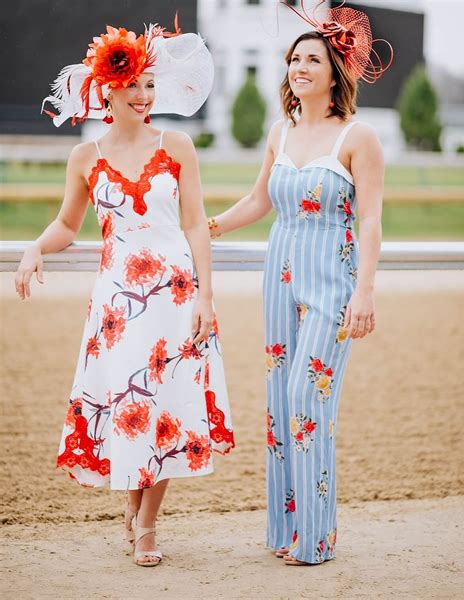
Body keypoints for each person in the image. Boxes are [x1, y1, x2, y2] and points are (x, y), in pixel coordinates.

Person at [14, 17, 234, 567]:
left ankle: (146, 525)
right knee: (130, 405)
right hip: (118, 305)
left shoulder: (178, 145)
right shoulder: (85, 158)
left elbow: (194, 225)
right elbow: (68, 225)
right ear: (108, 87)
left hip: (176, 297)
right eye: (133, 83)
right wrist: (35, 246)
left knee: (163, 408)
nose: (144, 95)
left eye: (150, 84)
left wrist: (205, 297)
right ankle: (135, 514)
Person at [207, 0, 392, 566]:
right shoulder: (280, 131)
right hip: (279, 283)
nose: (298, 68)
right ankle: (287, 530)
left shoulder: (359, 138)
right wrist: (207, 226)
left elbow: (373, 220)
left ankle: (316, 538)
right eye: (294, 60)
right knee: (278, 404)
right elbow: (260, 199)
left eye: (312, 59)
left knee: (306, 400)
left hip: (333, 285)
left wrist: (365, 291)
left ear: (336, 71)